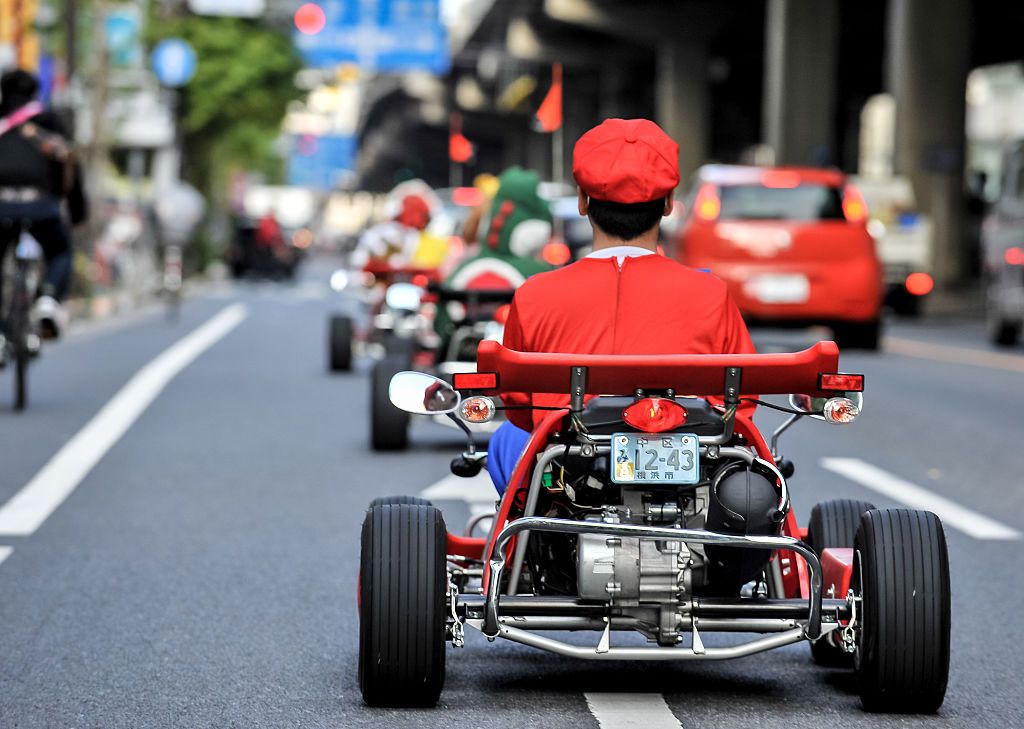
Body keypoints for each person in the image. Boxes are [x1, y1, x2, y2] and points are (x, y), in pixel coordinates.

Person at [487, 118, 755, 494]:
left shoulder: (534, 294)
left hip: (566, 467)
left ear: (582, 201)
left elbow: (519, 406)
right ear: (666, 204)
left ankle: (523, 546)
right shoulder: (710, 293)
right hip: (691, 468)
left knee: (504, 439)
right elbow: (739, 406)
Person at [0, 69, 87, 338]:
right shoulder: (49, 122)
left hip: (1, 207)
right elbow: (70, 168)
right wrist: (77, 213)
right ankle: (48, 299)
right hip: (41, 207)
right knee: (60, 251)